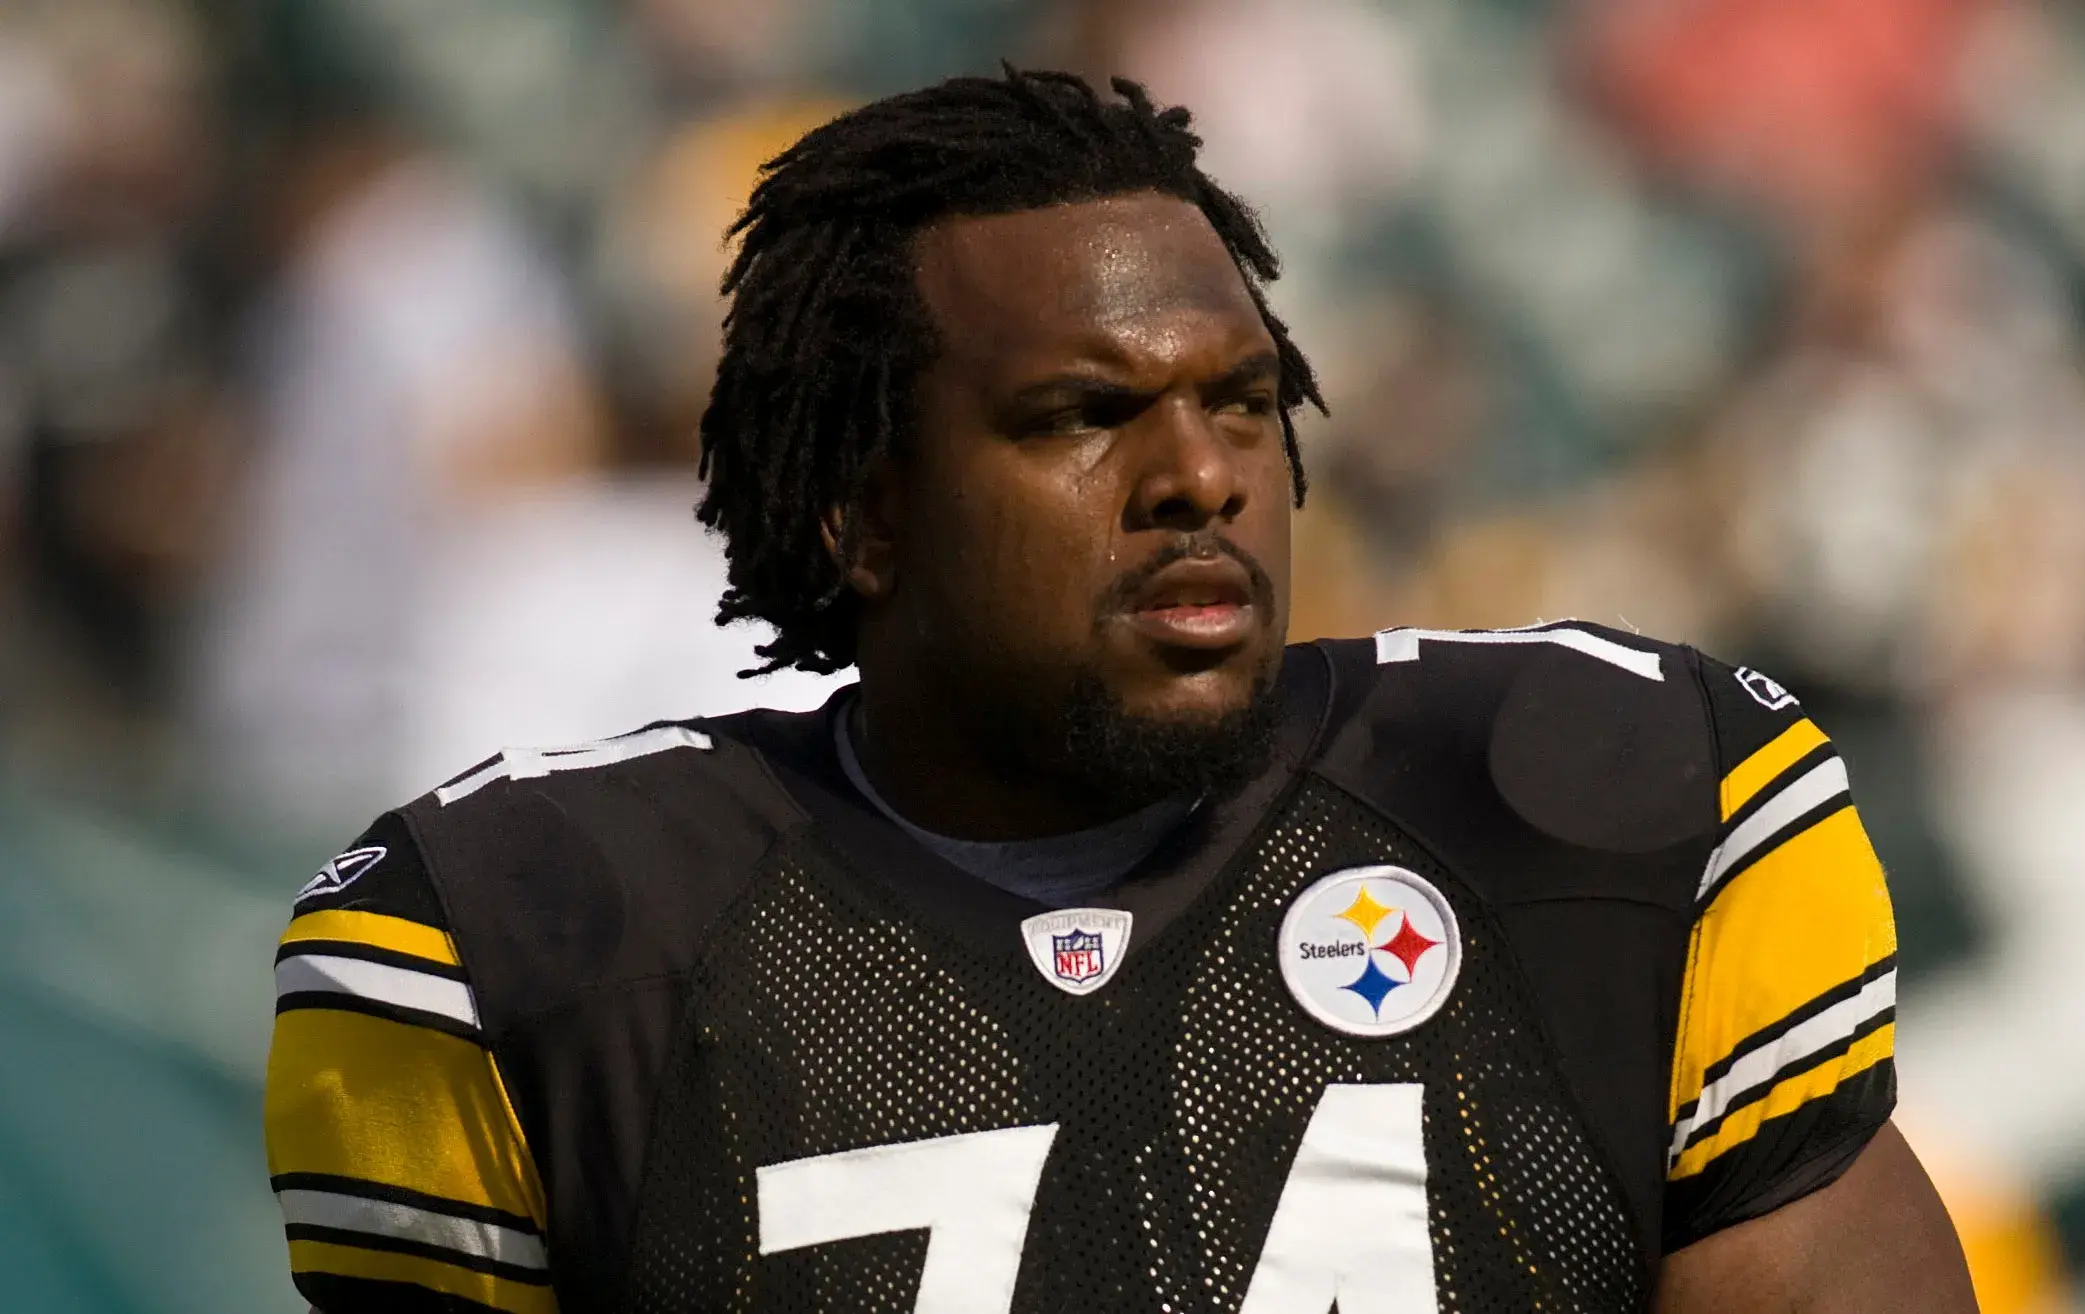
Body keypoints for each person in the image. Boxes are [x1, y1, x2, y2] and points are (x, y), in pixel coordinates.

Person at [261, 69, 1977, 1313]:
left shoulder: (1598, 823)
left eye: (1244, 402)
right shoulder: (542, 946)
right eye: (1082, 415)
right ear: (858, 508)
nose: (1200, 476)